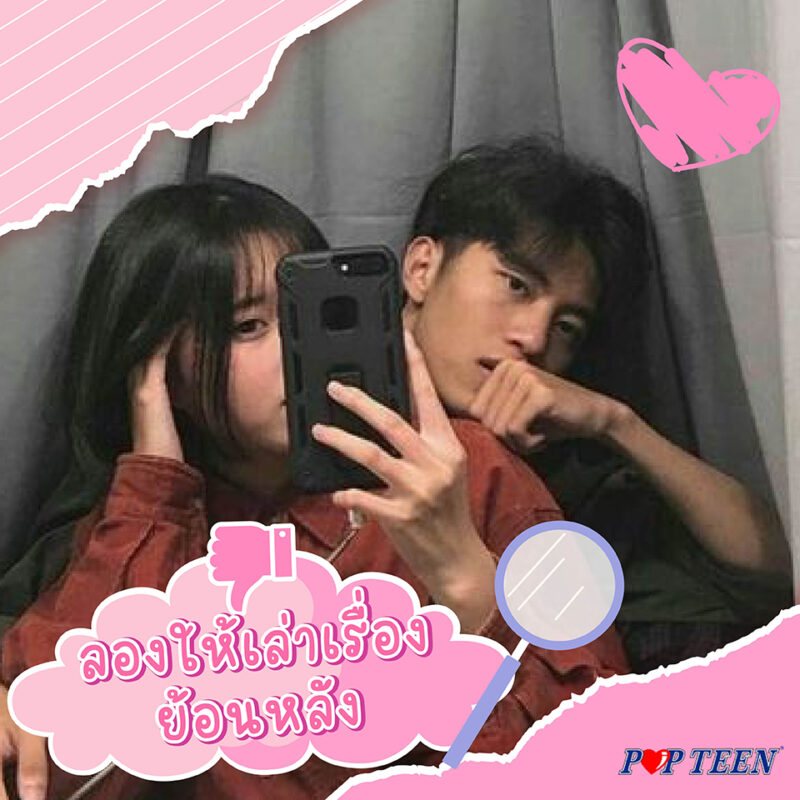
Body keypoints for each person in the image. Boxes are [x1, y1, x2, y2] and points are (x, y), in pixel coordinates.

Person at [0, 175, 627, 800]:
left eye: (306, 314)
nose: (299, 349)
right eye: (248, 326)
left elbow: (602, 757)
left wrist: (469, 585)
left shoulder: (470, 470)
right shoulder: (145, 519)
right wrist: (154, 488)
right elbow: (48, 767)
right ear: (166, 371)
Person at [400, 137, 793, 673]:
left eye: (567, 326)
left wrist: (617, 423)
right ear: (423, 267)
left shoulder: (567, 473)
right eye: (516, 285)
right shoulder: (308, 403)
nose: (534, 338)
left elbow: (778, 563)